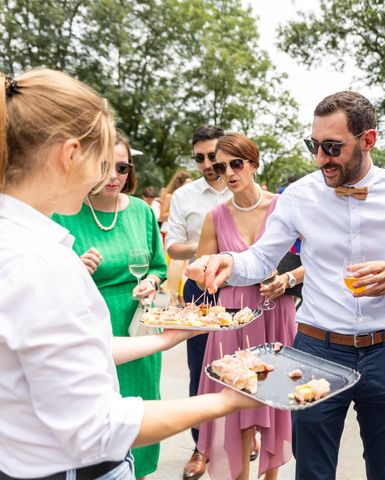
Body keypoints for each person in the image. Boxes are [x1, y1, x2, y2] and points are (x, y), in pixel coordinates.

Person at [0, 68, 258, 480]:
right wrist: (228, 401)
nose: (108, 177)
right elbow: (96, 428)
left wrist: (164, 341)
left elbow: (70, 349)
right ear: (69, 155)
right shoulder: (40, 263)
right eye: (102, 162)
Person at [187, 91, 385, 480]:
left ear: (368, 140)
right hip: (316, 351)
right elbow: (260, 259)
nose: (321, 158)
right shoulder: (300, 196)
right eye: (314, 145)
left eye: (332, 147)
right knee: (313, 472)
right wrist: (228, 261)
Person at [52, 131, 166, 479]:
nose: (113, 176)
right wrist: (75, 268)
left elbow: (157, 266)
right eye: (104, 166)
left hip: (139, 324)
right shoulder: (65, 212)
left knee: (143, 407)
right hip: (88, 325)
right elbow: (45, 275)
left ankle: (141, 472)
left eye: (121, 166)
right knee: (98, 416)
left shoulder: (143, 212)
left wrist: (151, 281)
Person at [195, 133, 301, 480]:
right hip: (234, 319)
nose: (228, 172)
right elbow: (201, 273)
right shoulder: (215, 215)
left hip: (276, 313)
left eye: (236, 164)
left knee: (274, 400)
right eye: (220, 167)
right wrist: (214, 273)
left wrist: (287, 278)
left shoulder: (282, 207)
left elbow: (318, 260)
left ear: (253, 164)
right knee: (236, 408)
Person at [164, 125, 232, 479]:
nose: (207, 163)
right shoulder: (185, 196)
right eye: (199, 158)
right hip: (199, 292)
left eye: (212, 156)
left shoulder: (244, 190)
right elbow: (173, 246)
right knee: (201, 369)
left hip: (239, 289)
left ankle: (241, 435)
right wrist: (208, 245)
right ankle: (200, 446)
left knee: (240, 366)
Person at [159, 170, 193, 301]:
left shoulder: (189, 198)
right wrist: (176, 211)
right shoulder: (170, 196)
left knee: (185, 266)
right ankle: (172, 296)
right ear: (180, 184)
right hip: (170, 231)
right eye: (187, 184)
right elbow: (162, 216)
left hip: (185, 233)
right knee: (175, 264)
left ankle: (182, 296)